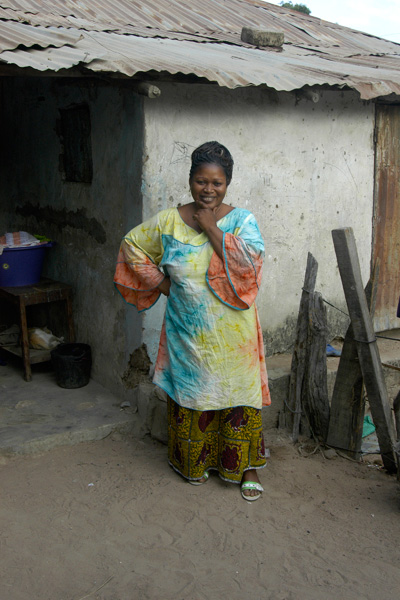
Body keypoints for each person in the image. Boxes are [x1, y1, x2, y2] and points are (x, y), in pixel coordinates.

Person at [114, 141, 271, 501]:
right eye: (202, 181)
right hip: (189, 333)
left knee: (238, 395)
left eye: (217, 183)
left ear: (227, 183)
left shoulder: (243, 221)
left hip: (235, 337)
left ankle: (246, 467)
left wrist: (211, 227)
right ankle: (195, 464)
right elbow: (131, 246)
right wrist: (164, 285)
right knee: (194, 395)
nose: (209, 189)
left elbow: (250, 272)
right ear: (190, 180)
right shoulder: (169, 221)